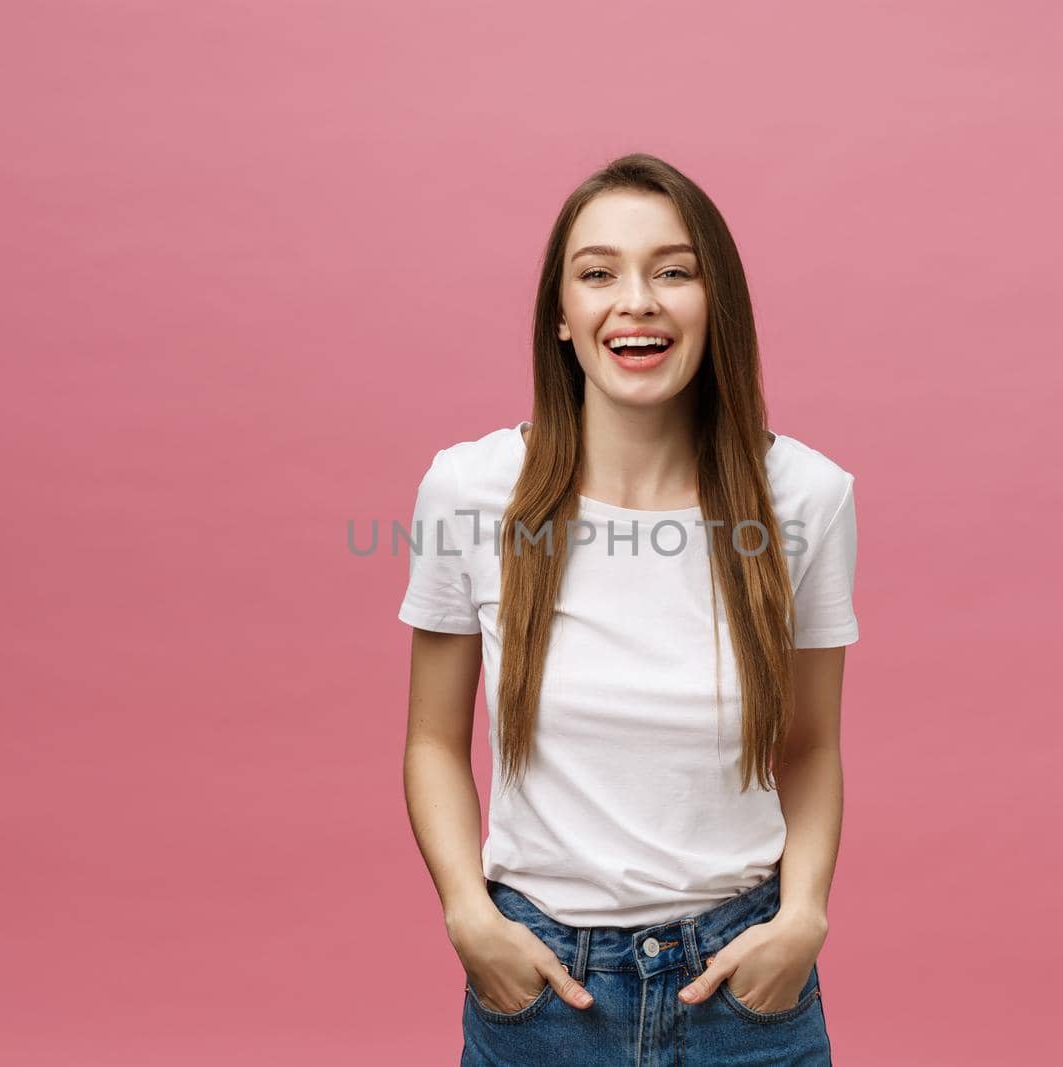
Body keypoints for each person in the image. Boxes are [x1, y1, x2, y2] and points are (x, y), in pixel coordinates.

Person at [398, 153, 859, 1065]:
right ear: (562, 320)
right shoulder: (471, 489)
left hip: (743, 989)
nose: (637, 300)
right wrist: (466, 914)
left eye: (674, 271)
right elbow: (432, 740)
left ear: (713, 305)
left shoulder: (805, 497)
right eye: (599, 273)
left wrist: (803, 914)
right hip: (542, 991)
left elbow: (809, 744)